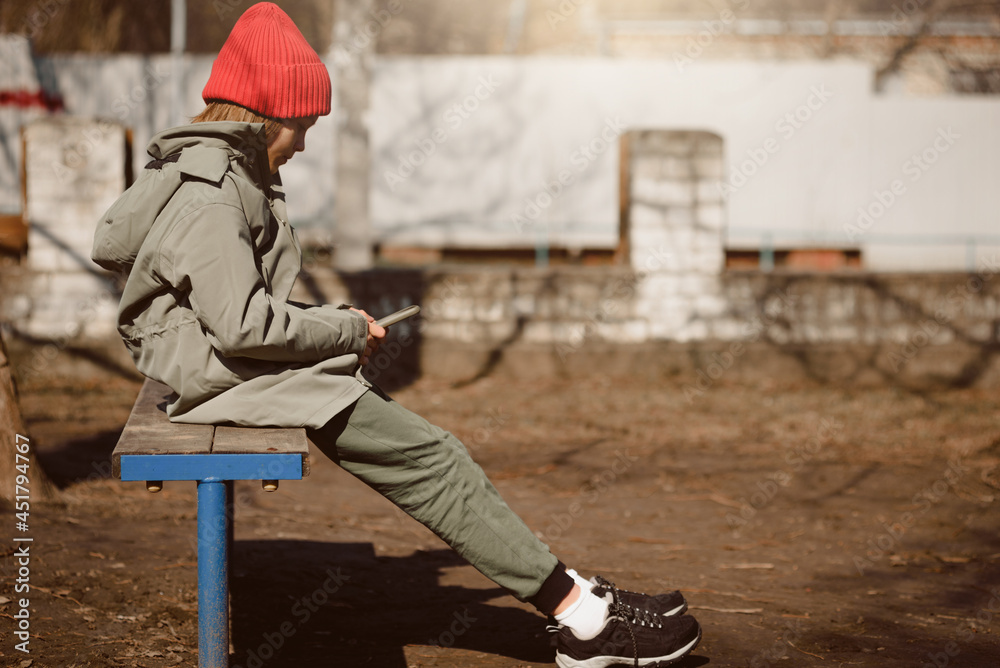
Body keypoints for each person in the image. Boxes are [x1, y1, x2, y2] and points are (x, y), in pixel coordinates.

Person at [91, 3, 702, 666]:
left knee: (433, 456)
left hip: (214, 365)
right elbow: (244, 325)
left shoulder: (220, 172)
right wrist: (344, 330)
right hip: (217, 376)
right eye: (305, 125)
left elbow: (235, 310)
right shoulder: (212, 192)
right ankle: (583, 624)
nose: (305, 142)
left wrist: (335, 327)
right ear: (270, 114)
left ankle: (580, 598)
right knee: (434, 460)